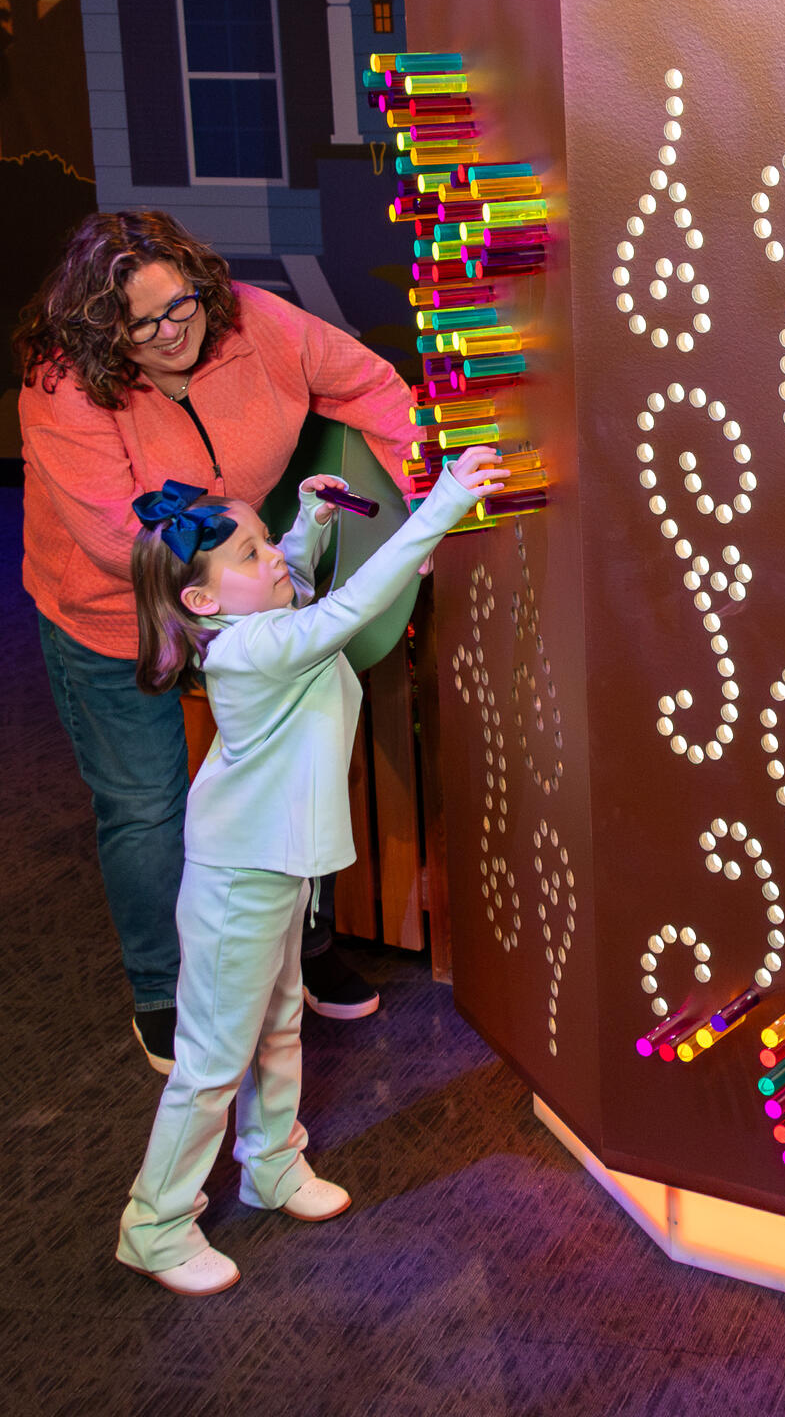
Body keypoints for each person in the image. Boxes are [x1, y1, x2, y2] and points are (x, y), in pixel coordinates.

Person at [17, 210, 417, 1072]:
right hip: (109, 616)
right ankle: (165, 990)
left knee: (286, 776)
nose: (177, 330)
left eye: (186, 303)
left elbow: (371, 385)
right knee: (146, 806)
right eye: (146, 322)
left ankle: (303, 952)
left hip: (240, 594)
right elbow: (120, 540)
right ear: (100, 329)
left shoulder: (251, 319)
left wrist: (420, 482)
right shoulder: (61, 387)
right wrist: (248, 606)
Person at [116, 447, 507, 1295]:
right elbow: (352, 606)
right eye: (248, 554)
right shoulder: (253, 650)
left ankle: (273, 1166)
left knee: (283, 1022)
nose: (272, 561)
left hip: (274, 863)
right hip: (236, 876)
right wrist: (439, 506)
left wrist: (308, 524)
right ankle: (156, 1224)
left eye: (262, 542)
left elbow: (282, 581)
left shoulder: (247, 621)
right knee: (213, 1059)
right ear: (202, 602)